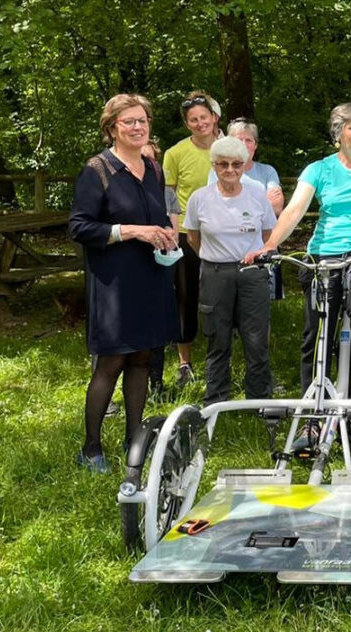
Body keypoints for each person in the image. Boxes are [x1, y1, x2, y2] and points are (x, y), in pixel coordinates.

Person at [243, 103, 351, 445]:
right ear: (338, 133)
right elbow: (295, 210)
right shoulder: (319, 169)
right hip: (324, 253)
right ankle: (311, 419)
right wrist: (269, 245)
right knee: (316, 338)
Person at [68, 94, 178, 472]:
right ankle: (92, 448)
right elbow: (79, 227)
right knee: (112, 361)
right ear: (112, 127)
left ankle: (135, 440)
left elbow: (157, 215)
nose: (138, 126)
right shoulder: (97, 170)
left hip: (151, 275)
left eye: (143, 120)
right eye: (129, 121)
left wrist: (165, 233)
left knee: (143, 358)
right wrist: (132, 231)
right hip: (115, 281)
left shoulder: (153, 168)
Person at [184, 137, 275, 405]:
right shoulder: (200, 198)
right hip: (215, 273)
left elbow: (269, 234)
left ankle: (258, 399)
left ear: (244, 165)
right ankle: (216, 400)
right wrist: (216, 259)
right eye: (223, 164)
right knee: (217, 337)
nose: (230, 170)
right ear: (214, 165)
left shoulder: (258, 196)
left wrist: (256, 254)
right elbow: (193, 238)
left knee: (256, 339)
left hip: (252, 273)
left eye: (236, 164)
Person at [163, 90, 222, 388]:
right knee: (186, 299)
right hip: (187, 235)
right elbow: (169, 193)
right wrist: (173, 230)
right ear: (187, 124)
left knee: (219, 300)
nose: (200, 123)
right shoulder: (175, 153)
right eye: (193, 120)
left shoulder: (228, 148)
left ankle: (219, 359)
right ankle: (185, 363)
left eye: (204, 117)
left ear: (214, 117)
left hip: (224, 236)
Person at [141, 138, 181, 396]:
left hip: (158, 264)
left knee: (156, 326)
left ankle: (156, 385)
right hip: (126, 268)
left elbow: (173, 232)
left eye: (150, 159)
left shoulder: (166, 192)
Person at [207, 118, 285, 216]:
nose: (244, 145)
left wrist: (233, 203)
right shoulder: (217, 171)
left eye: (248, 140)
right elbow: (215, 206)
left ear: (255, 145)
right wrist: (263, 202)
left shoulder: (268, 171)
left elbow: (276, 207)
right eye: (239, 140)